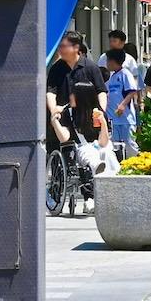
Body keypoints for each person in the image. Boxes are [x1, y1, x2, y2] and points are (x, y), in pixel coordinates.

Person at [47, 33, 107, 215]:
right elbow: (50, 92)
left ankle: (89, 195)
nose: (60, 50)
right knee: (65, 151)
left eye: (64, 46)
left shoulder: (90, 67)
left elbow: (101, 91)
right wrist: (54, 110)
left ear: (76, 48)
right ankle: (56, 192)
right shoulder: (57, 69)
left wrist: (101, 111)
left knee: (89, 150)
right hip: (64, 116)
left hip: (87, 117)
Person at [105, 48, 141, 161]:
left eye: (108, 61)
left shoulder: (125, 74)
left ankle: (136, 163)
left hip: (125, 118)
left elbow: (132, 91)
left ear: (113, 61)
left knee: (129, 143)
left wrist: (122, 105)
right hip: (114, 119)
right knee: (115, 145)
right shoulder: (112, 77)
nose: (106, 63)